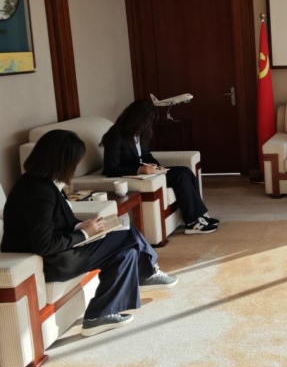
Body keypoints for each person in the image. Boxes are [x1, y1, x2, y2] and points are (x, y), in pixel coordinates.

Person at [1, 130, 178, 337]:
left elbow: (54, 222)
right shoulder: (39, 192)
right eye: (74, 162)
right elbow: (44, 244)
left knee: (126, 253)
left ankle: (98, 315)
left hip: (62, 251)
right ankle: (148, 272)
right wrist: (84, 234)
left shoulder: (38, 182)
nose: (74, 168)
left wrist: (80, 226)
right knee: (127, 233)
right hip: (54, 261)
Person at [101, 99, 218, 235]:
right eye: (147, 120)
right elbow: (110, 169)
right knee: (180, 176)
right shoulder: (116, 135)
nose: (149, 124)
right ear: (136, 118)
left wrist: (158, 166)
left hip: (147, 173)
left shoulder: (140, 134)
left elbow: (147, 156)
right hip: (133, 176)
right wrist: (140, 170)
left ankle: (199, 215)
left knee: (185, 171)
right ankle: (193, 223)